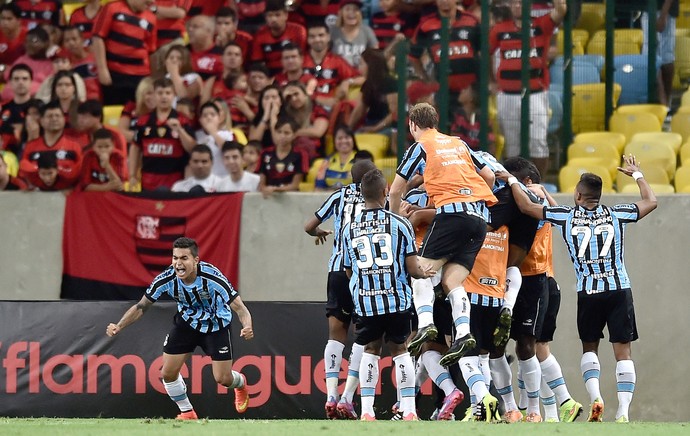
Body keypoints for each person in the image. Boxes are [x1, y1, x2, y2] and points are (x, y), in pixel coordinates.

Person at [498, 154, 657, 423]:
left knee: (590, 349)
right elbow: (651, 202)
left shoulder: (567, 216)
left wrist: (512, 180)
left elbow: (526, 207)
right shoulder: (616, 214)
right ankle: (623, 413)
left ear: (579, 195)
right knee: (623, 351)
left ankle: (595, 397)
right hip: (619, 289)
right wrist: (638, 176)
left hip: (588, 292)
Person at [389, 102, 497, 368]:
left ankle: (425, 324)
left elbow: (394, 191)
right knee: (452, 281)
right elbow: (489, 176)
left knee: (419, 269)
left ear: (413, 125)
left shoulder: (421, 146)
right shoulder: (459, 143)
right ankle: (463, 333)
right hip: (478, 220)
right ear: (435, 122)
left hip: (451, 215)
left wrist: (394, 223)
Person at [106, 237, 254, 420]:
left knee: (223, 379)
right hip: (187, 324)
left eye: (184, 258)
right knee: (167, 373)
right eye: (175, 258)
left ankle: (240, 384)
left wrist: (247, 325)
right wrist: (119, 326)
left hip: (216, 326)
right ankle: (187, 412)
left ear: (196, 260)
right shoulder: (166, 279)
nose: (178, 263)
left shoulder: (213, 278)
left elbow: (240, 308)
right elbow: (142, 306)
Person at [341, 168, 435, 421]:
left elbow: (348, 269)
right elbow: (413, 268)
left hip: (366, 302)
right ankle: (410, 410)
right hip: (396, 299)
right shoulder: (400, 224)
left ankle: (367, 412)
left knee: (370, 350)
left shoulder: (349, 228)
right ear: (385, 192)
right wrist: (424, 274)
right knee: (400, 350)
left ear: (361, 195)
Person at [503, 156, 582, 423]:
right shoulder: (542, 197)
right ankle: (551, 411)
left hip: (533, 278)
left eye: (511, 178)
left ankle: (553, 405)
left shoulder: (530, 200)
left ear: (525, 181)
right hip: (541, 279)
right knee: (535, 347)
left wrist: (525, 187)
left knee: (530, 346)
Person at [304, 158, 377, 419]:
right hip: (365, 273)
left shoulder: (339, 195)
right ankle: (348, 397)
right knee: (364, 336)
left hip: (336, 270)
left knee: (336, 335)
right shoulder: (381, 196)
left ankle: (331, 395)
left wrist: (322, 232)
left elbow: (308, 226)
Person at [489, 0, 566, 176]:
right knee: (512, 143)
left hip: (535, 94)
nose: (517, 6)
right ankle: (515, 184)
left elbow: (561, 9)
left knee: (538, 142)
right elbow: (486, 54)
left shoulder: (541, 24)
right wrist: (491, 82)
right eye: (514, 2)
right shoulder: (499, 30)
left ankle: (538, 183)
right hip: (507, 95)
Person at [131, 78, 196, 191]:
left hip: (175, 185)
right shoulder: (143, 121)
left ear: (174, 95)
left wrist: (180, 130)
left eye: (168, 93)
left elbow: (192, 148)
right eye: (160, 93)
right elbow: (135, 147)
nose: (164, 97)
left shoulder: (183, 120)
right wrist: (132, 175)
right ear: (154, 95)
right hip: (148, 183)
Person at [92, 0, 156, 105]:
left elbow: (151, 51)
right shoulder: (112, 8)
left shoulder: (152, 18)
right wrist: (102, 69)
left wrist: (151, 79)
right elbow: (98, 37)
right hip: (114, 75)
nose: (152, 1)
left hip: (140, 77)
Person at [18, 100, 82, 186]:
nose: (54, 119)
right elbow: (23, 171)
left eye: (57, 116)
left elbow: (80, 171)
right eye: (50, 116)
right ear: (41, 121)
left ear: (64, 119)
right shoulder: (30, 147)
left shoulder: (75, 147)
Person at [303, 22, 360, 111]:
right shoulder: (300, 60)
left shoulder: (337, 61)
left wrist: (348, 82)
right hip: (304, 105)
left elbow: (361, 78)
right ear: (307, 39)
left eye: (321, 35)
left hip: (331, 107)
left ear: (328, 37)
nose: (317, 39)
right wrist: (317, 99)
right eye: (312, 36)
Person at [249, 0, 307, 76]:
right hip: (269, 74)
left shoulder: (298, 31)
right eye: (270, 15)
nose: (273, 19)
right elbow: (258, 62)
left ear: (286, 15)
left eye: (277, 15)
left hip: (293, 71)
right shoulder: (260, 35)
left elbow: (301, 57)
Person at [348, 48, 397, 134]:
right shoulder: (367, 85)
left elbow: (395, 114)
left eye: (361, 64)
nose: (359, 67)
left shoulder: (391, 84)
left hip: (388, 127)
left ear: (371, 65)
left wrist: (375, 128)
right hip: (370, 124)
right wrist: (347, 131)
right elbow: (359, 111)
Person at [257, 115, 308, 196]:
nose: (282, 136)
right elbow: (261, 183)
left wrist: (276, 189)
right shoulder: (265, 153)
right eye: (279, 132)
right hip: (268, 196)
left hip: (292, 197)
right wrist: (265, 189)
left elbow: (295, 185)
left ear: (294, 135)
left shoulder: (300, 154)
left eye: (286, 133)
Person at [641, 0, 678, 110]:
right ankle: (663, 103)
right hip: (648, 10)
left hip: (663, 12)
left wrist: (663, 15)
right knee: (649, 56)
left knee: (665, 58)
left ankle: (665, 102)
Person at [280, 81, 329, 160]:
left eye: (296, 94)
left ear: (305, 94)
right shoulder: (286, 112)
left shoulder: (317, 109)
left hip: (315, 155)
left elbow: (318, 132)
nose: (293, 99)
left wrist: (295, 133)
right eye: (289, 96)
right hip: (290, 154)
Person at [330, 0, 378, 68]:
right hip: (338, 74)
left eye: (355, 9)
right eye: (347, 9)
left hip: (361, 75)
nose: (351, 12)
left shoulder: (367, 31)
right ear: (341, 13)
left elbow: (375, 55)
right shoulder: (333, 31)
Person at [195, 101, 236, 176]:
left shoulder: (227, 134)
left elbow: (228, 150)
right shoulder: (197, 135)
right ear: (200, 120)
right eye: (205, 115)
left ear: (219, 118)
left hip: (222, 178)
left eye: (212, 115)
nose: (209, 117)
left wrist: (213, 132)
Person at [314, 125, 358, 191]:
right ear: (334, 141)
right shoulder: (327, 161)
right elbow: (318, 187)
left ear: (353, 140)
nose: (343, 141)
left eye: (347, 137)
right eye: (340, 138)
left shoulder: (361, 160)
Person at [62, 26, 101, 101]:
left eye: (74, 39)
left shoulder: (96, 58)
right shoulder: (66, 65)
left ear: (82, 40)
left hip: (97, 101)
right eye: (67, 40)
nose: (71, 43)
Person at [186, 15, 224, 81]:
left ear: (208, 31)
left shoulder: (222, 56)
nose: (190, 29)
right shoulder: (180, 52)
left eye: (195, 27)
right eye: (189, 26)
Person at [0, 4, 27, 76]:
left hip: (20, 75)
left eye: (9, 19)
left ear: (19, 21)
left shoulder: (27, 36)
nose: (5, 22)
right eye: (2, 18)